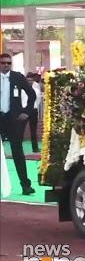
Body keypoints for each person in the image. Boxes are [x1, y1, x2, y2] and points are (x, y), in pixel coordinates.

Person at [0, 53, 36, 195]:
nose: (6, 65)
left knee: (17, 152)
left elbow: (32, 95)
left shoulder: (18, 77)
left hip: (13, 119)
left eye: (8, 63)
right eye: (3, 63)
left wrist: (26, 112)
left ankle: (25, 185)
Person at [21, 72, 42, 152]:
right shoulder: (21, 90)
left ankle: (35, 148)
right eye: (28, 80)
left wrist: (34, 107)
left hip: (33, 111)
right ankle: (19, 148)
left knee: (33, 130)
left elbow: (38, 100)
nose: (29, 82)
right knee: (21, 130)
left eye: (31, 80)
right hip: (24, 110)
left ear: (33, 81)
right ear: (26, 80)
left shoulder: (36, 90)